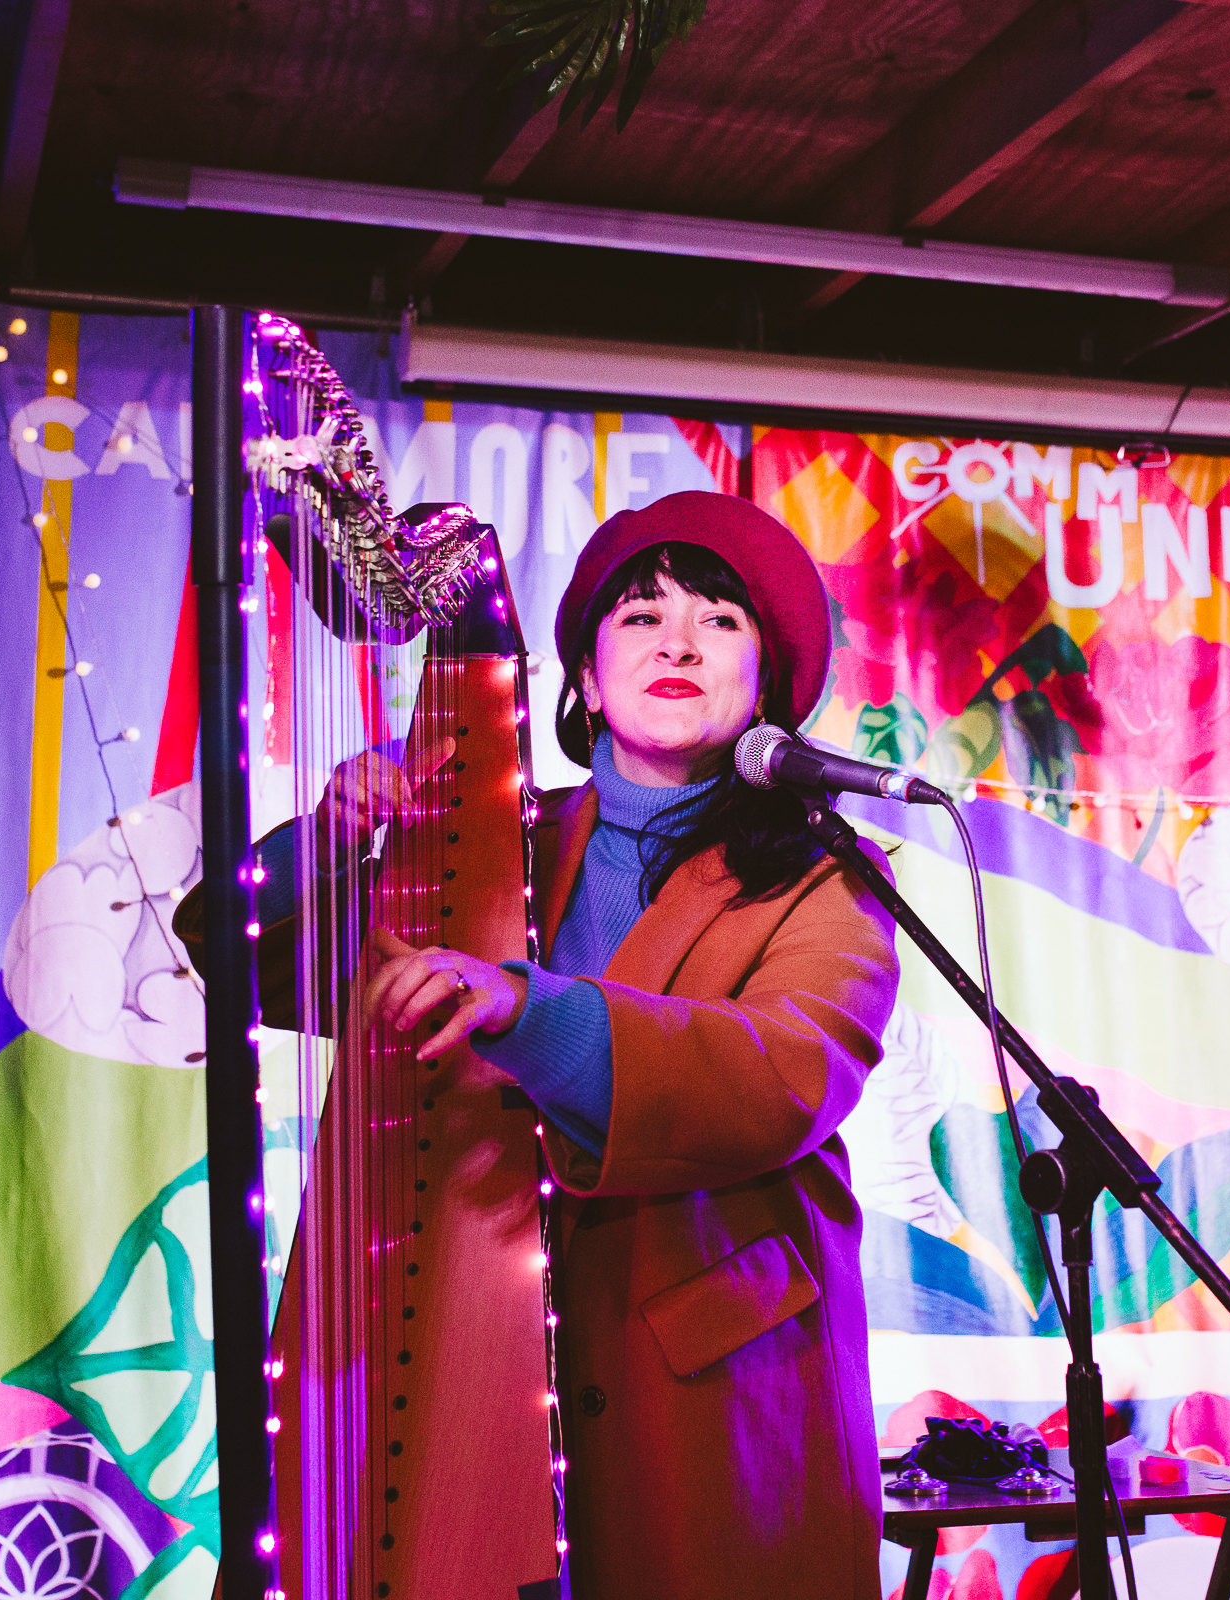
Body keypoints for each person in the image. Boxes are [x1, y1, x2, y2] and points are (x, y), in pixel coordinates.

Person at [350, 491, 901, 1600]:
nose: (679, 643)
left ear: (766, 690)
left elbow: (779, 1078)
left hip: (715, 1402)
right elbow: (269, 963)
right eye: (642, 616)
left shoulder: (828, 875)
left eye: (719, 620)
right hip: (471, 1362)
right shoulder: (483, 837)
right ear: (589, 681)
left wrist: (525, 1008)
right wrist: (327, 841)